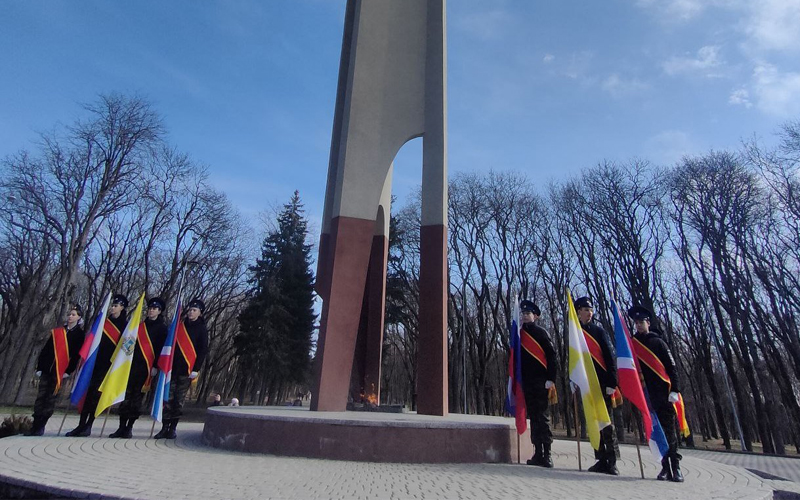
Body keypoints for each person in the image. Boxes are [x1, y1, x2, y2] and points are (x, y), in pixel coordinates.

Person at [628, 304, 684, 482]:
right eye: (636, 323)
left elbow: (672, 367)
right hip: (647, 395)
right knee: (656, 433)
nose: (639, 325)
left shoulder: (658, 342)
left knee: (669, 433)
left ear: (648, 323)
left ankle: (676, 468)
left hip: (664, 393)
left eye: (641, 322)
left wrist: (675, 389)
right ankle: (665, 468)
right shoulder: (633, 344)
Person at [66, 293, 129, 437]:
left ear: (122, 308)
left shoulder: (125, 326)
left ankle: (89, 425)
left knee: (96, 396)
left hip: (108, 366)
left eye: (116, 306)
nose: (113, 308)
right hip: (94, 363)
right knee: (87, 394)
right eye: (112, 305)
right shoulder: (102, 323)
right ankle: (81, 425)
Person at [109, 297, 168, 438]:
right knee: (126, 397)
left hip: (146, 369)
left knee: (136, 399)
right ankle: (121, 427)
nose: (151, 311)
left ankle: (129, 427)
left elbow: (161, 349)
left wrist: (155, 366)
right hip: (131, 366)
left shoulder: (162, 329)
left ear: (159, 311)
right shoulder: (138, 326)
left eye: (154, 309)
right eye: (150, 308)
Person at [575, 296, 620, 475]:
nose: (590, 313)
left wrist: (612, 382)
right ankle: (600, 458)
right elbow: (574, 360)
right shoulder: (575, 333)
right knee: (593, 422)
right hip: (587, 385)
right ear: (578, 312)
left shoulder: (599, 332)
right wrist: (573, 379)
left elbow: (610, 357)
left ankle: (612, 460)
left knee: (606, 422)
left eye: (591, 309)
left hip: (602, 383)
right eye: (586, 310)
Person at [25, 305, 86, 436]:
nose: (70, 316)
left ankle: (41, 426)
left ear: (79, 317)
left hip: (60, 372)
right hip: (47, 369)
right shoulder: (58, 332)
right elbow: (46, 350)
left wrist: (68, 371)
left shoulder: (79, 335)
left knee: (51, 399)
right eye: (70, 314)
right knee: (40, 397)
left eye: (74, 314)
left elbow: (76, 355)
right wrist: (40, 367)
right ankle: (34, 426)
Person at [154, 297, 208, 439]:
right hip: (173, 369)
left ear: (200, 313)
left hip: (187, 370)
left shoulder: (202, 329)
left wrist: (196, 368)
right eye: (190, 310)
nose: (191, 312)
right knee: (168, 399)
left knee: (178, 401)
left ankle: (173, 428)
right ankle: (164, 427)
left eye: (194, 310)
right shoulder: (180, 326)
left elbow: (202, 350)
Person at [519, 299, 559, 468]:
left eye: (528, 314)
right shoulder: (519, 334)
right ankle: (538, 452)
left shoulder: (542, 333)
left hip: (542, 381)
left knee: (543, 418)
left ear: (535, 316)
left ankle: (548, 454)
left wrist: (551, 379)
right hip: (527, 382)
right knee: (533, 418)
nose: (525, 316)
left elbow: (551, 357)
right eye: (523, 314)